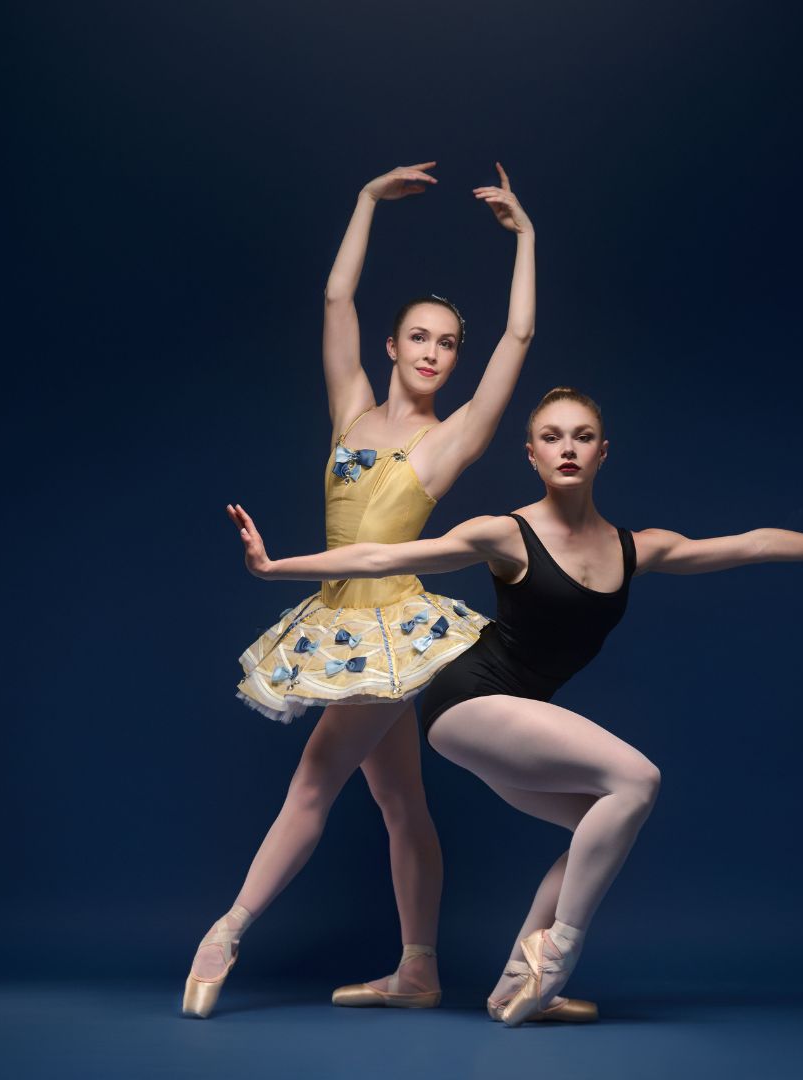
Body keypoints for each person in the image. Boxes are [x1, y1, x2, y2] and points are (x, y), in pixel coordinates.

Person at [226, 386, 803, 1026]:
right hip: (471, 702)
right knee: (637, 778)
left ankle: (518, 982)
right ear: (532, 454)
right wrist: (275, 567)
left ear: (603, 452)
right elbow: (387, 556)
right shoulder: (506, 534)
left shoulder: (635, 549)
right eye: (552, 437)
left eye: (582, 437)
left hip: (518, 724)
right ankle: (556, 953)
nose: (567, 448)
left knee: (598, 833)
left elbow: (750, 544)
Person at [183, 162, 537, 1019]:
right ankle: (418, 970)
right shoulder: (351, 410)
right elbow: (337, 297)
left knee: (314, 781)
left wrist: (526, 238)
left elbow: (518, 339)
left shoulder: (449, 441)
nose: (433, 353)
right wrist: (365, 202)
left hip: (390, 626)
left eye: (446, 343)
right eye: (419, 337)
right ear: (392, 346)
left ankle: (227, 930)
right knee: (399, 799)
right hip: (337, 618)